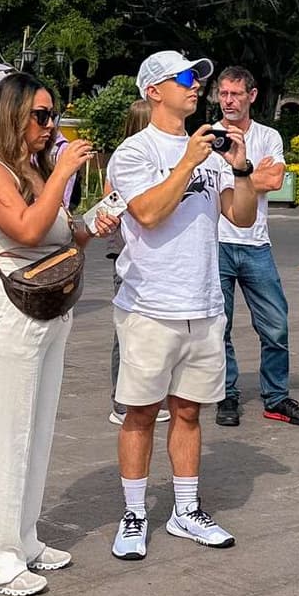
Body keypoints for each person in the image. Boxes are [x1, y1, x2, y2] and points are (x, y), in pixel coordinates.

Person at [107, 51, 278, 560]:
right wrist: (188, 162)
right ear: (153, 90)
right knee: (140, 413)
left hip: (203, 301)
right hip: (149, 303)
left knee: (189, 411)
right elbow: (148, 213)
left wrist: (242, 169)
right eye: (185, 78)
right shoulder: (134, 152)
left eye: (198, 79)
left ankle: (185, 510)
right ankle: (135, 513)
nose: (197, 87)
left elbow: (241, 217)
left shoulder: (213, 150)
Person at [0, 74, 121, 596]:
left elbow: (64, 231)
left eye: (52, 115)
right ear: (12, 116)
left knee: (36, 432)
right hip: (9, 317)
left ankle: (23, 538)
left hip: (49, 314)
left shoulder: (35, 170)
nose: (50, 126)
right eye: (41, 116)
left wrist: (97, 217)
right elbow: (27, 231)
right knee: (3, 437)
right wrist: (63, 174)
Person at [212, 67, 299, 428]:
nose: (229, 100)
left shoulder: (268, 135)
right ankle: (226, 394)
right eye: (223, 94)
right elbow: (215, 186)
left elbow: (275, 179)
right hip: (217, 241)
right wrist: (248, 178)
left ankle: (277, 396)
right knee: (218, 326)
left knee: (275, 324)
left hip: (255, 242)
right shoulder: (208, 137)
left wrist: (236, 176)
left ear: (252, 95)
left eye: (236, 94)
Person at [106, 99, 170, 426]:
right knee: (127, 330)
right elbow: (108, 203)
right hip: (126, 253)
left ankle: (150, 396)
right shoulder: (126, 158)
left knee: (152, 332)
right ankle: (121, 400)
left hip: (152, 257)